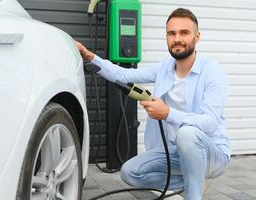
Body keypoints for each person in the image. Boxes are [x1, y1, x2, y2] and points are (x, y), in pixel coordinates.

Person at [76, 7, 230, 200]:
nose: (177, 39)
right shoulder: (165, 68)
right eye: (171, 33)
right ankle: (193, 181)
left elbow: (210, 123)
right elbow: (124, 75)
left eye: (184, 32)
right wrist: (91, 57)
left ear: (197, 37)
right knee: (130, 172)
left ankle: (193, 194)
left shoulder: (212, 71)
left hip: (212, 154)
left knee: (187, 132)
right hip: (176, 151)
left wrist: (167, 113)